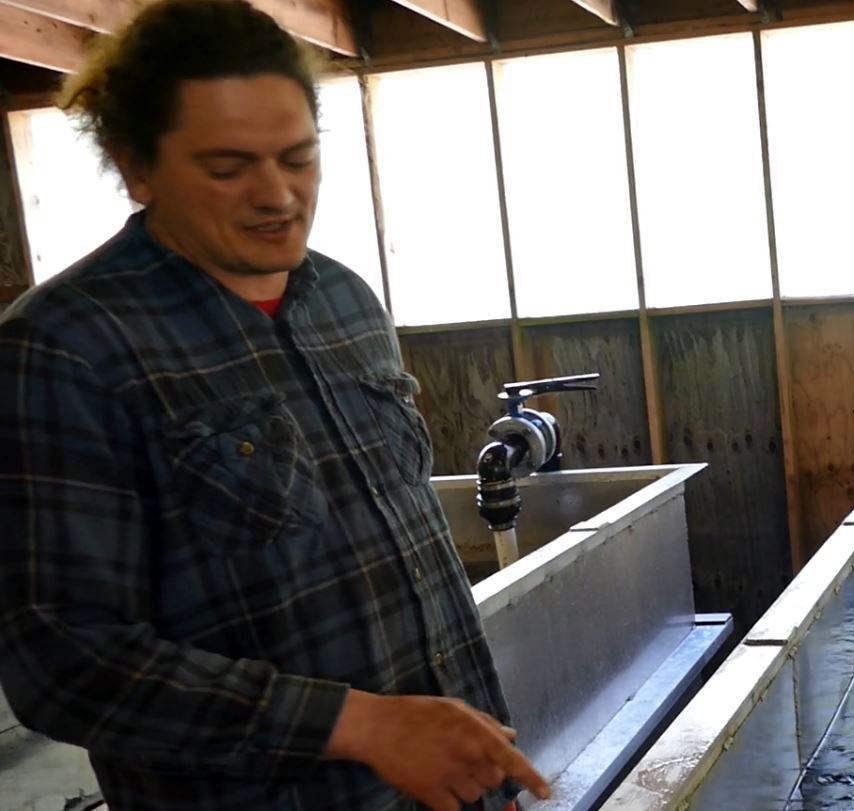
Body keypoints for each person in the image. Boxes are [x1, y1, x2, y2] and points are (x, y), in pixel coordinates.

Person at [0, 1, 551, 809]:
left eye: (299, 158)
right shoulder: (66, 348)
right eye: (228, 168)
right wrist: (360, 724)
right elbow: (66, 662)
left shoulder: (346, 302)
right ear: (136, 165)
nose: (278, 196)